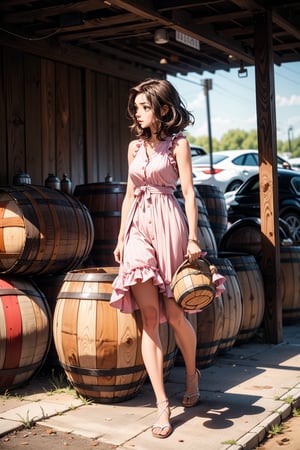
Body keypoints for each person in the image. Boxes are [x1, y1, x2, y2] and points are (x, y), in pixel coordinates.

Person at [110, 78, 202, 439]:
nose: (138, 112)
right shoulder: (133, 147)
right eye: (136, 107)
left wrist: (194, 237)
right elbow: (130, 194)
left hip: (169, 222)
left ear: (163, 109)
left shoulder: (178, 143)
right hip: (137, 230)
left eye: (144, 106)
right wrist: (120, 238)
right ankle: (162, 403)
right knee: (149, 316)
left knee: (175, 314)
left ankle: (192, 374)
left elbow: (190, 193)